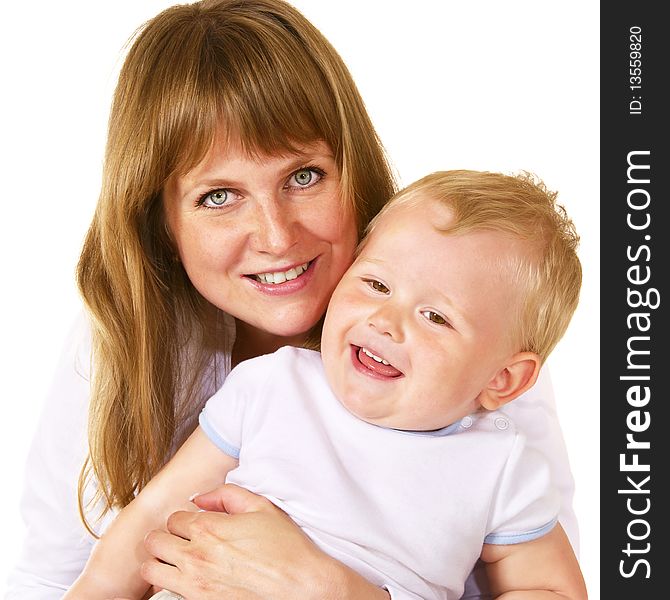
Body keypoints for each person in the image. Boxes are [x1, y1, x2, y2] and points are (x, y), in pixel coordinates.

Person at [5, 1, 580, 599]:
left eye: (304, 176)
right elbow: (101, 549)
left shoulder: (491, 410)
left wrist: (336, 592)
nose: (277, 237)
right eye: (218, 196)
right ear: (162, 224)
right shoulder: (264, 386)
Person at [63, 170, 587, 600]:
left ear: (503, 379)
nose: (386, 321)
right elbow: (155, 511)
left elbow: (549, 591)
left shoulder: (499, 466)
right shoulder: (274, 384)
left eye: (435, 316)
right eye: (376, 284)